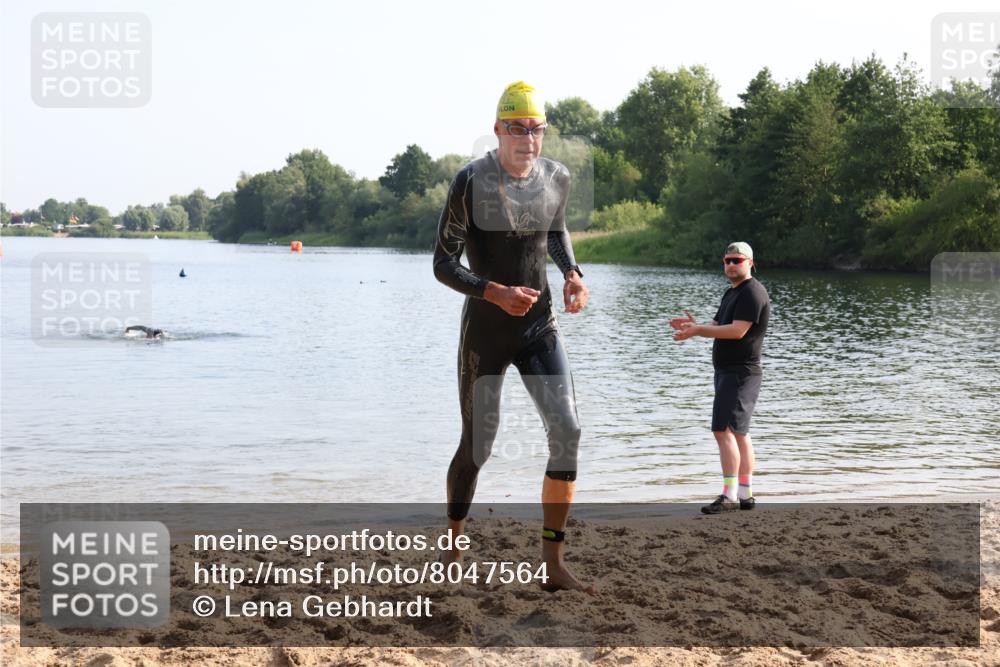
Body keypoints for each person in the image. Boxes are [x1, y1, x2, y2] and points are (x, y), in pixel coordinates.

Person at [433, 81, 593, 592]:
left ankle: (552, 562)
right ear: (498, 130)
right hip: (486, 330)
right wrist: (493, 292)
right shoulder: (471, 182)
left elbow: (555, 231)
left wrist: (573, 274)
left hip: (538, 326)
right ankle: (455, 542)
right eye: (517, 128)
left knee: (567, 432)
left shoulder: (556, 178)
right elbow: (442, 263)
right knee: (478, 445)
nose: (529, 138)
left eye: (537, 129)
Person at [671, 242, 770, 515]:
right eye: (726, 261)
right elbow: (718, 324)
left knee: (723, 430)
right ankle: (745, 493)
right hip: (730, 372)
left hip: (740, 372)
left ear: (750, 262)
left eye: (736, 260)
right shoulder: (732, 293)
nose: (730, 265)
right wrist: (695, 326)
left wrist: (699, 331)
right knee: (738, 432)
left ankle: (729, 495)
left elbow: (738, 331)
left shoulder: (753, 292)